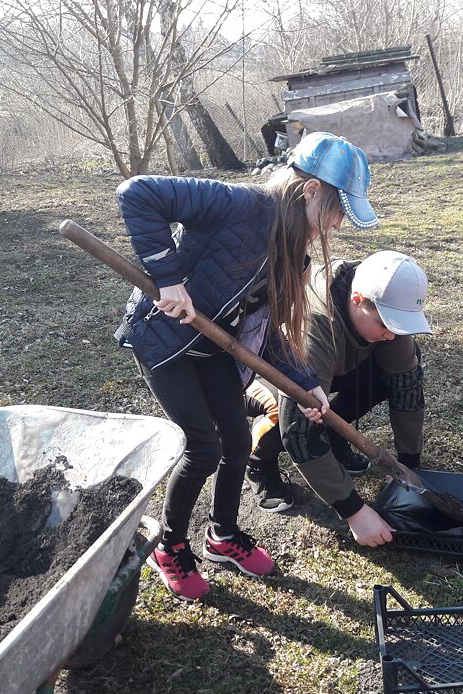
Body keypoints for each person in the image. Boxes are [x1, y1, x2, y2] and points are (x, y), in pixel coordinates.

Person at [115, 131, 380, 601]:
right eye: (339, 210)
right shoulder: (239, 204)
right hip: (167, 339)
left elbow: (268, 328)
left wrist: (305, 384)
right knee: (204, 447)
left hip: (214, 345)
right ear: (312, 190)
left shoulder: (291, 248)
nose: (338, 224)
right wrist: (169, 278)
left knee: (237, 442)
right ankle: (170, 548)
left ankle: (222, 536)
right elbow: (138, 193)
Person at [279, 249, 432, 548]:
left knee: (397, 370)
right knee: (289, 416)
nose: (392, 334)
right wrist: (354, 512)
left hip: (336, 365)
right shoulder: (315, 324)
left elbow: (407, 387)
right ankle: (260, 464)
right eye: (387, 324)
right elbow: (297, 431)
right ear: (357, 299)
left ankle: (334, 437)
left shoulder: (383, 309)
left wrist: (409, 466)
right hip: (271, 375)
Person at [243, 377, 370, 513]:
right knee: (283, 406)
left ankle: (331, 435)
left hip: (303, 367)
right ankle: (258, 464)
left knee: (375, 377)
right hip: (249, 372)